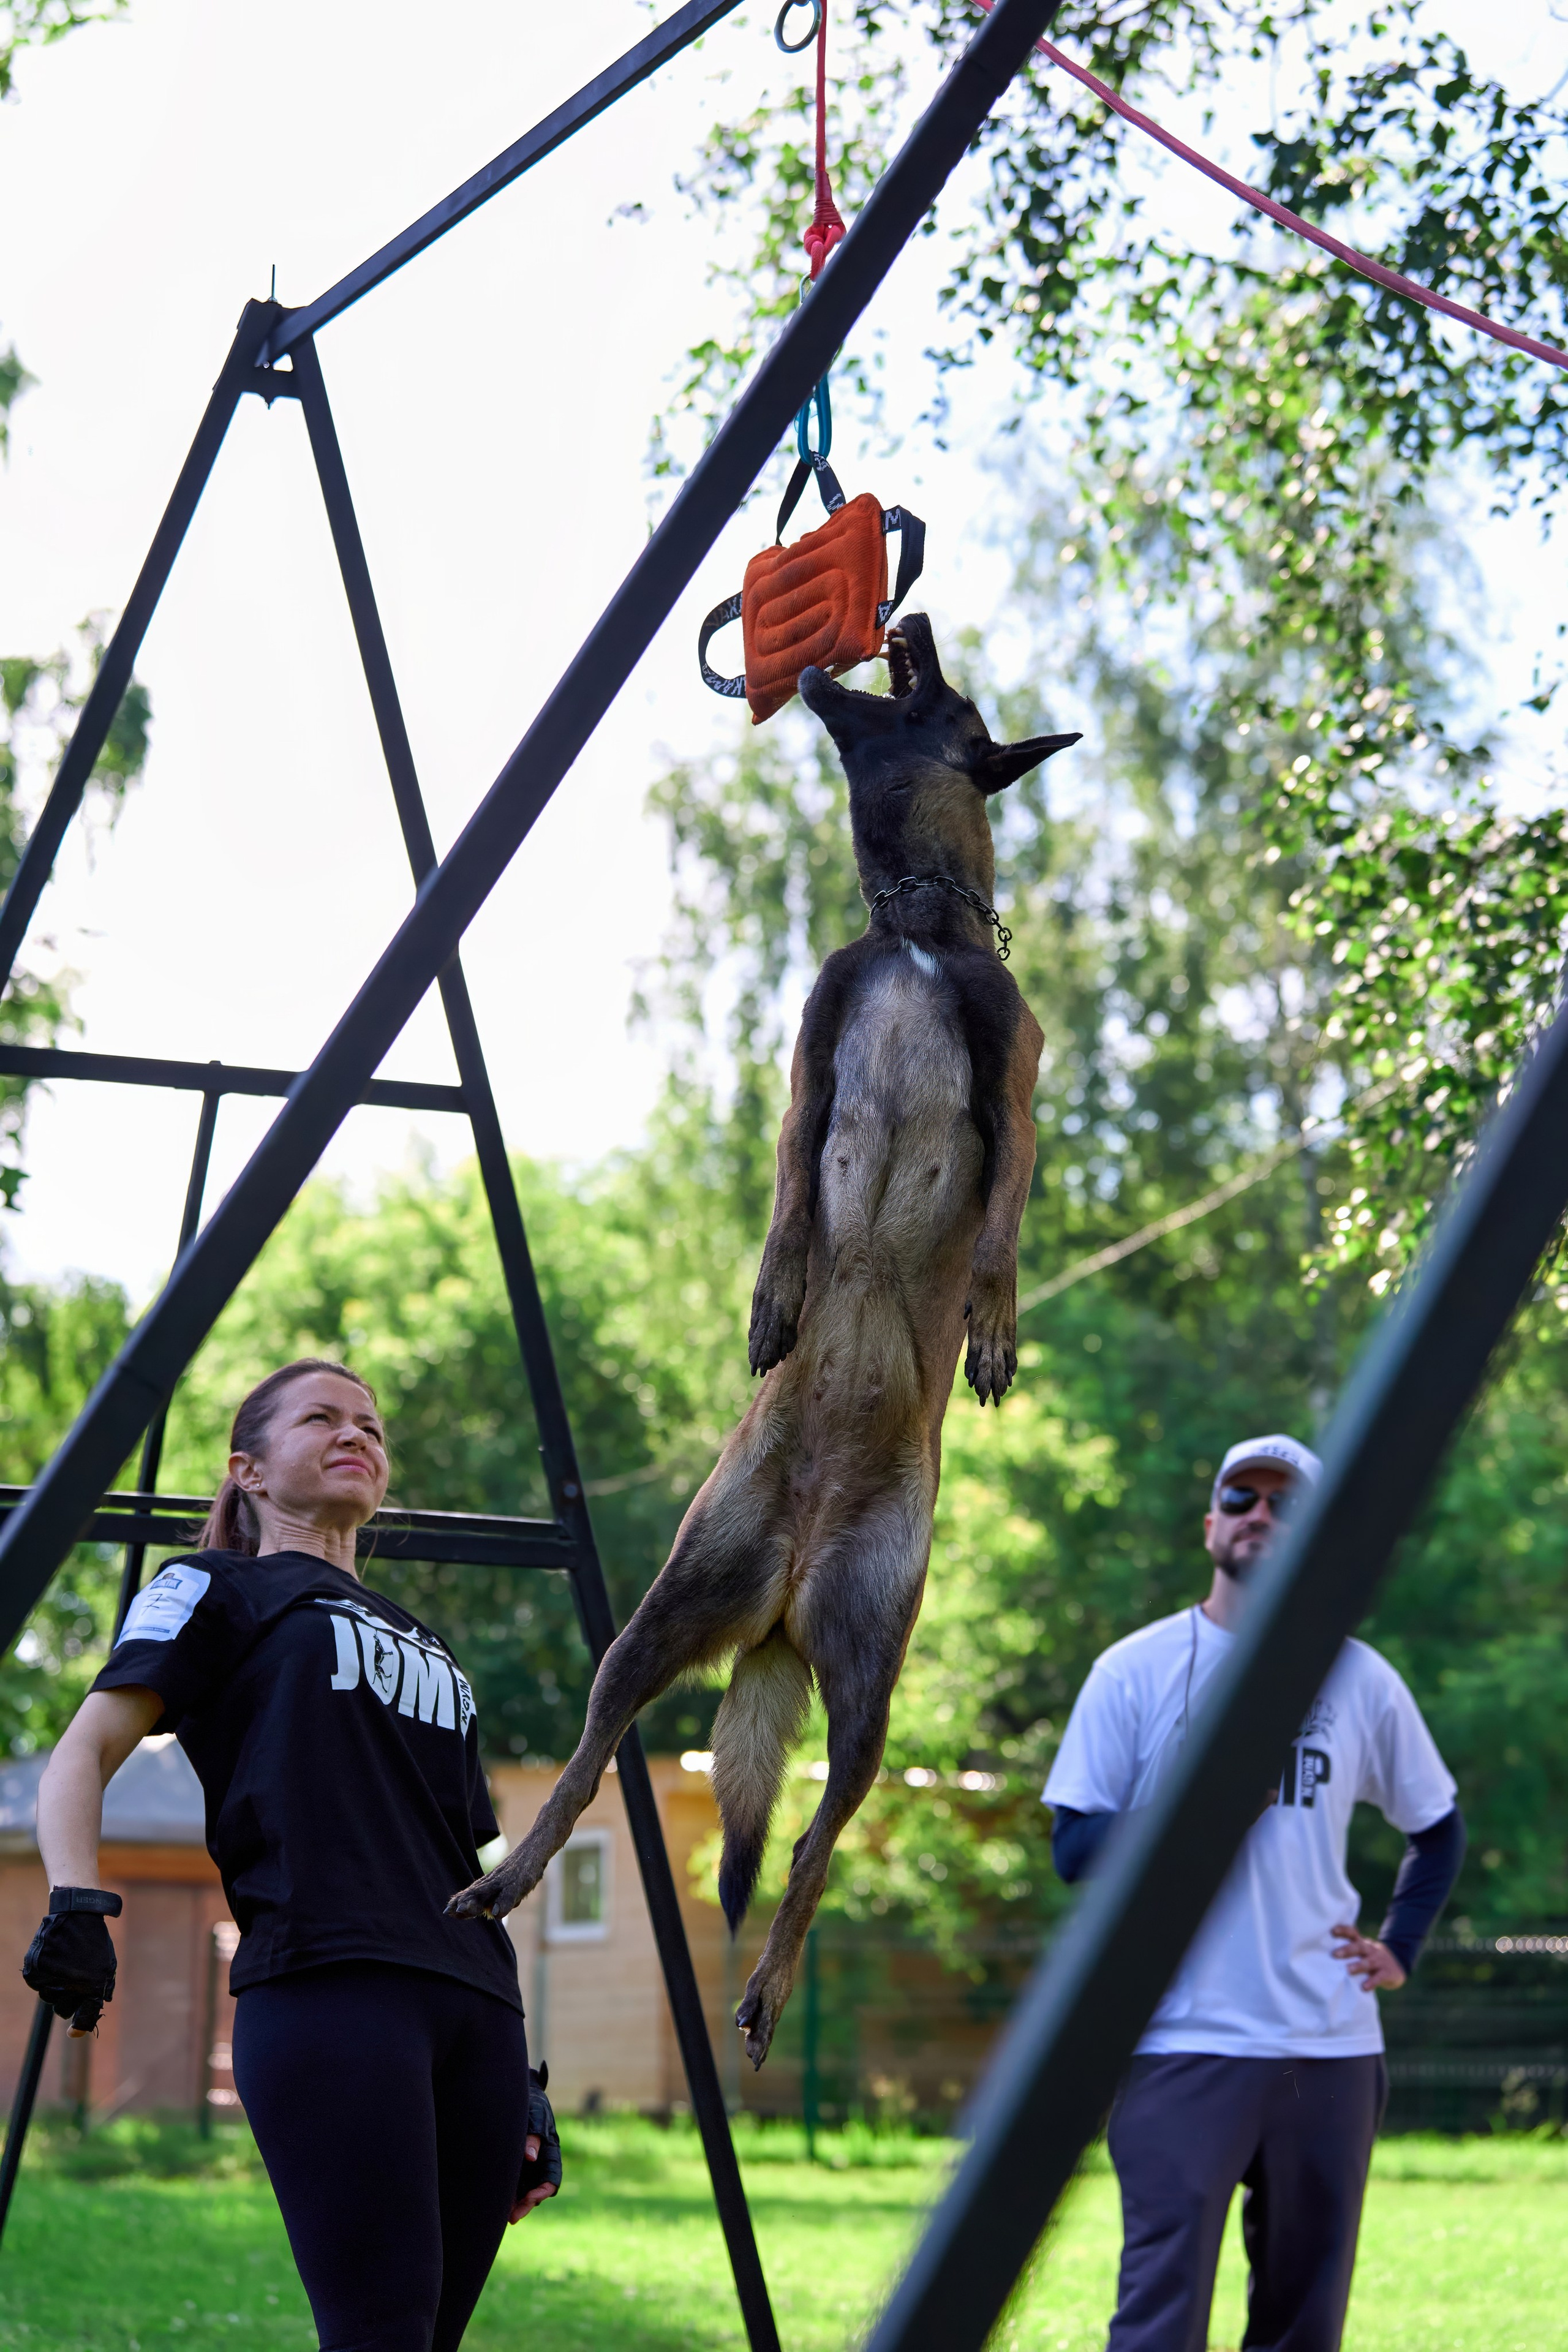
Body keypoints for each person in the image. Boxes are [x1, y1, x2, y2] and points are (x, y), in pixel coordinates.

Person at [21, 1359, 560, 2352]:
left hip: (474, 2008)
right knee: (380, 2330)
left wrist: (524, 2068)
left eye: (373, 1427)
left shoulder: (426, 1642)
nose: (358, 1435)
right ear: (250, 1471)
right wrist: (75, 1901)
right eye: (322, 1419)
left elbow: (471, 1853)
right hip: (332, 1984)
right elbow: (84, 1752)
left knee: (433, 2337)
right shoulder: (216, 1588)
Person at [1045, 1432, 1465, 2352]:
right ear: (1211, 1524)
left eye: (1285, 1504)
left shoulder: (1359, 1676)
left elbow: (1437, 1827)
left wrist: (1402, 1945)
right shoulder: (1134, 1670)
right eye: (1243, 1499)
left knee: (1303, 2322)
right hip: (1182, 2039)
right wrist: (1189, 1812)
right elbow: (1074, 1848)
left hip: (1331, 2045)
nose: (1261, 1516)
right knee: (1160, 2320)